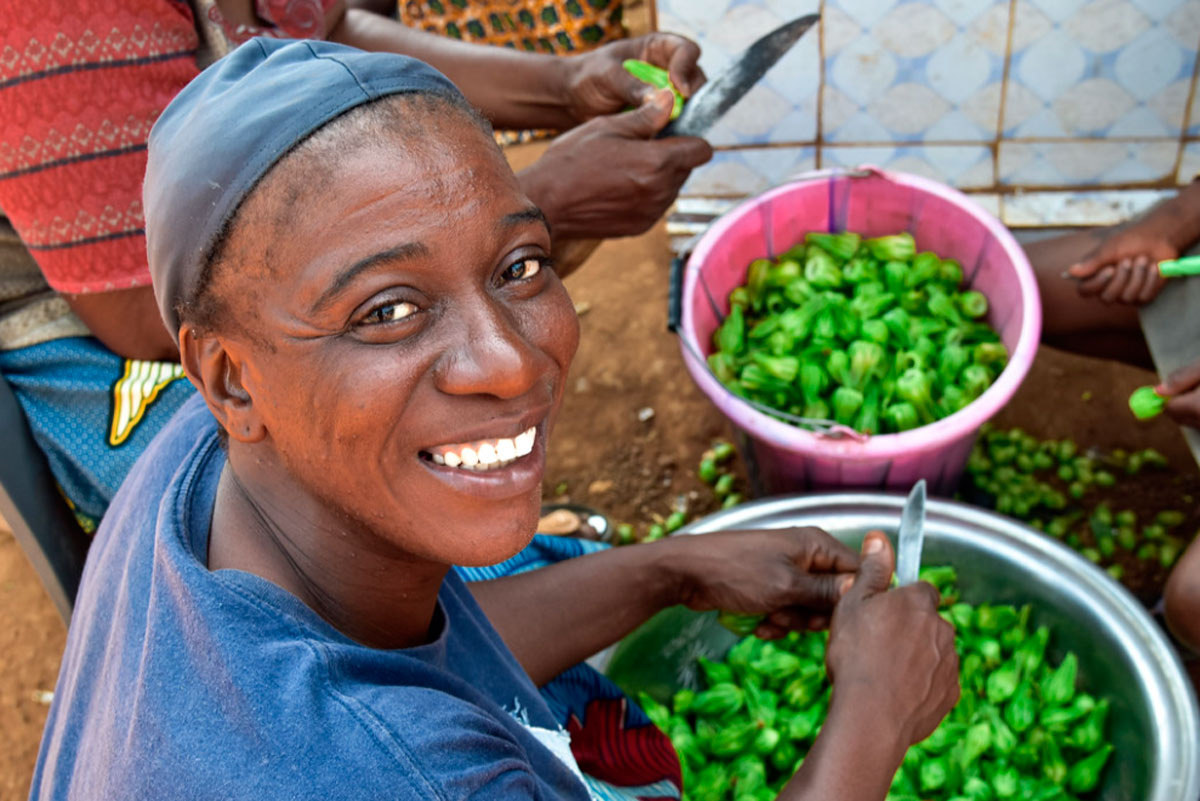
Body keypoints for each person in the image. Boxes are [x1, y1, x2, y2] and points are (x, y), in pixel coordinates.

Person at [30, 40, 959, 800]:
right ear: (228, 377)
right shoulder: (406, 779)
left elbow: (430, 657)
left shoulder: (205, 457)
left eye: (519, 265)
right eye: (386, 310)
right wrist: (872, 717)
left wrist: (675, 569)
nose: (511, 361)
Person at [0, 0, 711, 529]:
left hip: (244, 219)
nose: (512, 368)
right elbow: (139, 312)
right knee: (303, 523)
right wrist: (540, 206)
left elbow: (321, 41)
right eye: (387, 308)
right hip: (89, 312)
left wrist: (565, 85)